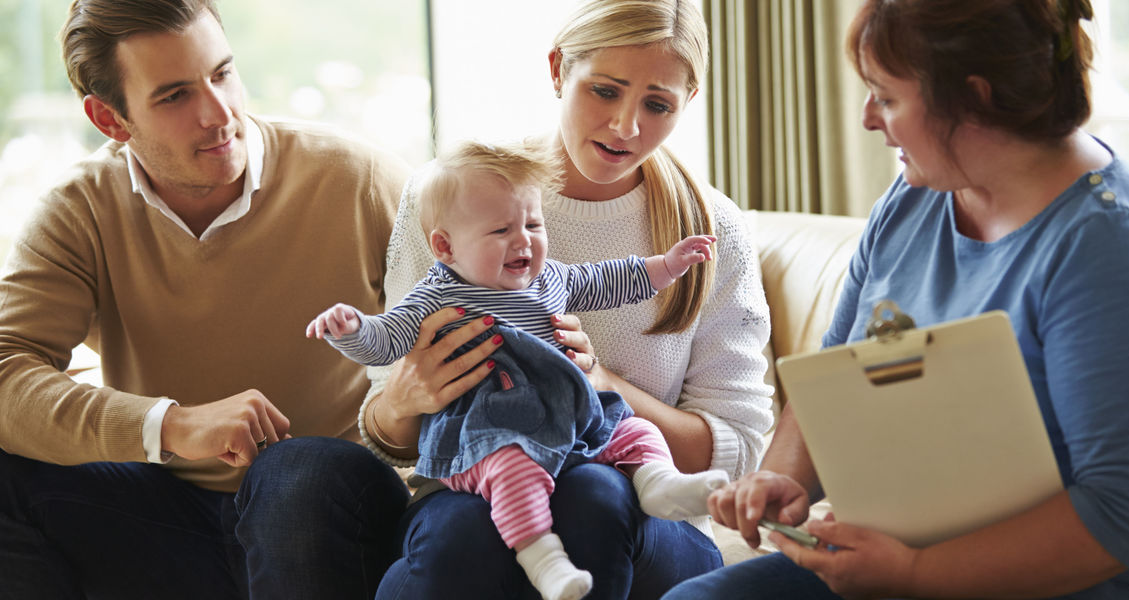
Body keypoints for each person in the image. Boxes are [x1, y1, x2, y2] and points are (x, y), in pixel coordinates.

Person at [664, 0, 1129, 598]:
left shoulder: (1113, 249)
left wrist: (916, 575)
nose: (868, 118)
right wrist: (779, 481)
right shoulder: (913, 197)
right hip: (905, 555)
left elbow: (1127, 513)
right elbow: (833, 380)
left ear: (974, 98)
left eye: (887, 97)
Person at [358, 0, 777, 598]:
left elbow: (736, 451)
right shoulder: (452, 201)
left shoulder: (712, 231)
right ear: (557, 70)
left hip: (641, 511)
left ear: (687, 103)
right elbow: (386, 431)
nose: (626, 126)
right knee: (462, 535)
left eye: (657, 104)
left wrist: (600, 380)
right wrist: (406, 397)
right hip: (481, 486)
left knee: (594, 496)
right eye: (604, 91)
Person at [0, 1, 413, 598]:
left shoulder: (358, 178)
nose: (220, 115)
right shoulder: (80, 211)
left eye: (221, 74)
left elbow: (470, 301)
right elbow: (7, 372)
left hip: (330, 511)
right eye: (174, 96)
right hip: (169, 518)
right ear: (110, 120)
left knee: (290, 471)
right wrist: (171, 424)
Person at [308, 138, 729, 600]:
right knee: (513, 471)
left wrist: (668, 265)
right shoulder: (438, 296)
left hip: (569, 420)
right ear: (445, 247)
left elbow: (611, 280)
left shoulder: (550, 278)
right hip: (487, 434)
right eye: (501, 231)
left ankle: (659, 485)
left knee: (633, 430)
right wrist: (349, 329)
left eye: (532, 223)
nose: (523, 240)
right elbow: (385, 340)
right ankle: (543, 558)